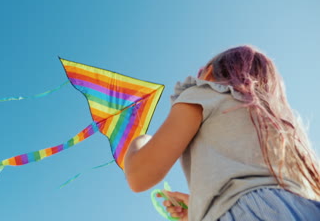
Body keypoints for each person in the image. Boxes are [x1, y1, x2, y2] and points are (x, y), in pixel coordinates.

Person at [124, 45, 320, 220]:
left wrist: (139, 142)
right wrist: (199, 209)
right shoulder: (277, 123)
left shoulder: (205, 93)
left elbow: (140, 176)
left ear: (208, 74)